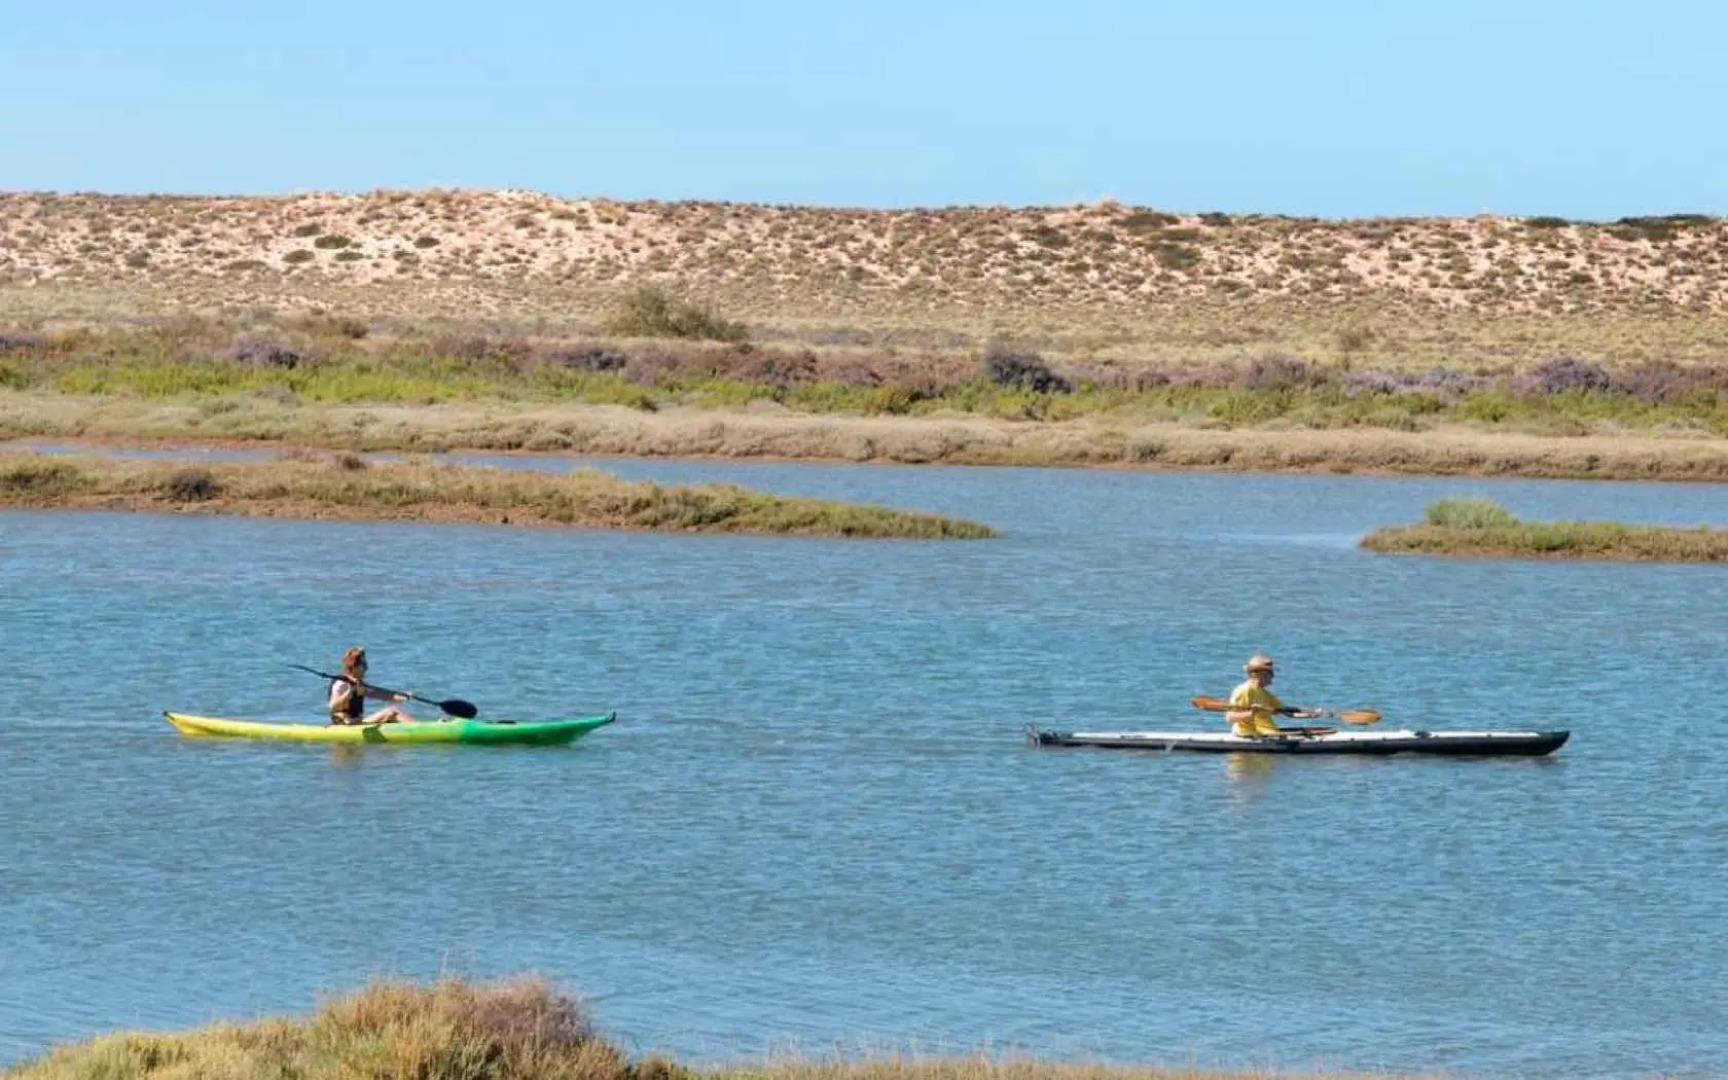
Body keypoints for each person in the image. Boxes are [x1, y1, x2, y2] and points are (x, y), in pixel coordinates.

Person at [1226, 654, 1320, 737]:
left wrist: (1312, 714)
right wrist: (1251, 713)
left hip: (1269, 733)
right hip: (1248, 735)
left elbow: (1288, 712)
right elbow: (1230, 717)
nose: (1273, 675)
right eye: (1270, 673)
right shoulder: (1243, 690)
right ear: (1259, 674)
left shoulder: (1266, 693)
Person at [327, 646, 412, 725]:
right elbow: (333, 707)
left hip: (358, 724)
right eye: (363, 665)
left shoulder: (359, 684)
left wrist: (402, 696)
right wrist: (351, 691)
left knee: (392, 712)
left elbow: (380, 694)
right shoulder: (341, 684)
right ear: (354, 666)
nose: (366, 668)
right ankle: (416, 731)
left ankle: (415, 729)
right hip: (345, 727)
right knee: (393, 711)